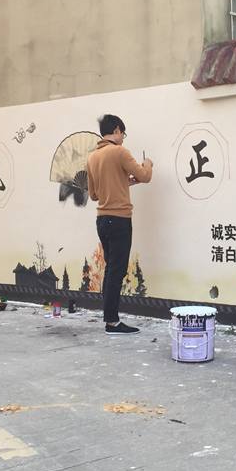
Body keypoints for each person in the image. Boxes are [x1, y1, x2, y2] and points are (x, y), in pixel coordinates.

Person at [86, 114, 153, 334]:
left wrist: (123, 183)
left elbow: (94, 195)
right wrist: (148, 164)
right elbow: (145, 176)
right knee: (117, 271)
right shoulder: (119, 152)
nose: (123, 138)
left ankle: (110, 319)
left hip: (102, 220)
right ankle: (112, 322)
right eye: (123, 134)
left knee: (111, 270)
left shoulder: (92, 157)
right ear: (116, 130)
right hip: (119, 219)